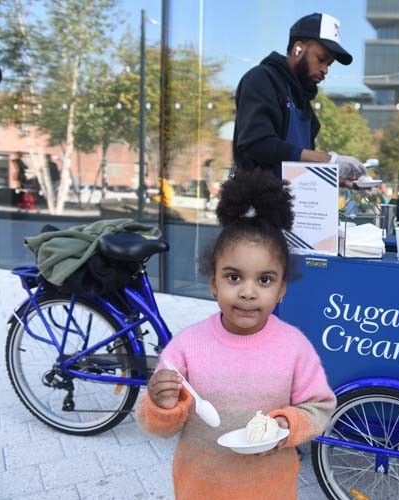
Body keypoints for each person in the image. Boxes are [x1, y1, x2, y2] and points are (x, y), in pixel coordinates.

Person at [136, 168, 336, 499]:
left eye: (265, 280)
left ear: (282, 289)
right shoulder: (187, 346)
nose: (247, 292)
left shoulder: (294, 347)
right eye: (233, 277)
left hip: (271, 489)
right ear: (213, 283)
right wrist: (161, 403)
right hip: (199, 487)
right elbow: (156, 425)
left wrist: (287, 425)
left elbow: (320, 408)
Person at [233, 13, 366, 182]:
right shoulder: (262, 79)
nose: (325, 70)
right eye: (321, 59)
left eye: (329, 64)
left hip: (291, 202)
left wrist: (337, 180)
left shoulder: (304, 102)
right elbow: (257, 143)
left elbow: (299, 167)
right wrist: (328, 160)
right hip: (257, 201)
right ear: (298, 49)